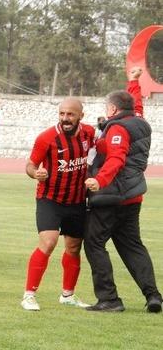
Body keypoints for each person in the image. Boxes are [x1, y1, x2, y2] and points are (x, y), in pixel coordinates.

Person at [83, 83, 161, 313]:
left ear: (113, 110)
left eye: (108, 107)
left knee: (94, 243)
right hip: (133, 197)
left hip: (111, 196)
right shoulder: (141, 124)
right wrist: (134, 83)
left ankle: (109, 299)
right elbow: (136, 104)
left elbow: (116, 158)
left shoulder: (117, 128)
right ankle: (153, 295)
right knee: (133, 247)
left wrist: (100, 181)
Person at [20, 97, 95, 311]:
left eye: (70, 114)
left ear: (81, 115)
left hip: (77, 200)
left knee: (73, 247)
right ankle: (29, 295)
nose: (65, 118)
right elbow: (30, 164)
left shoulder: (89, 134)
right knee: (49, 242)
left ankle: (67, 295)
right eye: (62, 114)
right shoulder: (47, 138)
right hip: (49, 199)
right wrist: (37, 173)